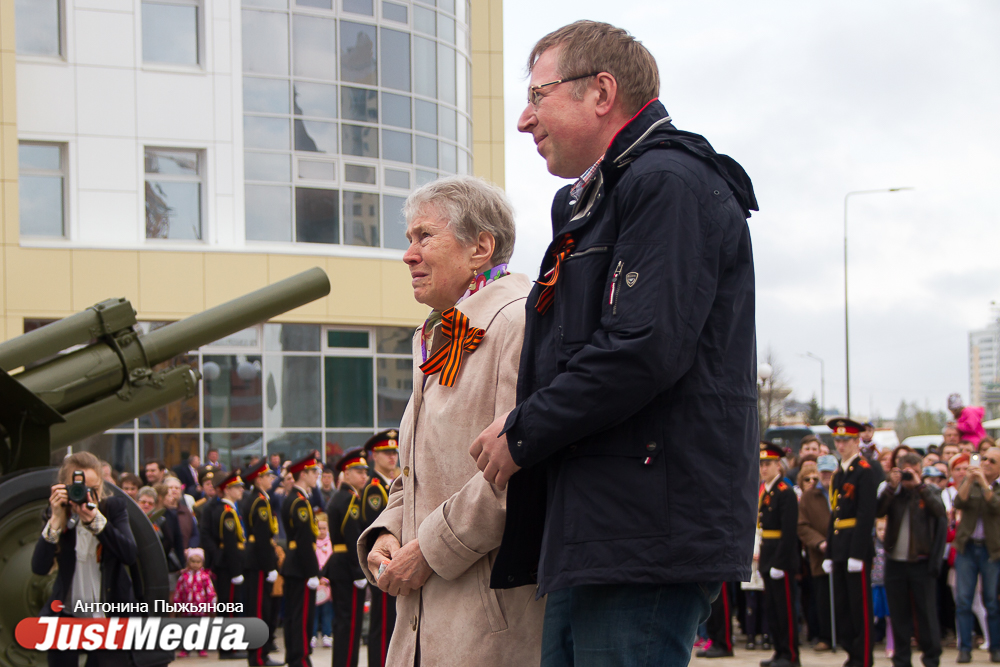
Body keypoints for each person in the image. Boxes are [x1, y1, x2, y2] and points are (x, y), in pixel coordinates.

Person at [467, 21, 758, 665]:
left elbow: (642, 346)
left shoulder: (668, 181)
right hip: (600, 522)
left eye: (537, 95)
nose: (523, 118)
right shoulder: (596, 199)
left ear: (601, 92)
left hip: (645, 529)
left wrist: (524, 431)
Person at [359, 175, 545, 667]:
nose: (408, 255)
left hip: (486, 626)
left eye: (425, 236)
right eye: (409, 239)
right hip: (426, 621)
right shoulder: (441, 331)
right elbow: (415, 473)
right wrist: (387, 533)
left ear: (480, 248)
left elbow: (520, 467)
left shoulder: (517, 322)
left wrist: (428, 550)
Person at [32, 451, 137, 667]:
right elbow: (39, 567)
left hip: (108, 615)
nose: (86, 495)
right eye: (78, 488)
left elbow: (129, 554)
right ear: (64, 487)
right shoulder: (57, 513)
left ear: (101, 486)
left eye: (93, 489)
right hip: (67, 614)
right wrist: (56, 520)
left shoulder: (113, 508)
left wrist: (96, 522)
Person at [877, 451, 947, 667]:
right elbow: (878, 510)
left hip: (921, 562)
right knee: (899, 614)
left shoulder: (929, 491)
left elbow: (940, 512)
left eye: (914, 472)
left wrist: (919, 486)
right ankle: (901, 660)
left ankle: (931, 658)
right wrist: (892, 486)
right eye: (906, 472)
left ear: (921, 472)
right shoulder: (893, 492)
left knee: (926, 614)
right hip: (895, 562)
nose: (909, 476)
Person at [822, 418, 878, 667]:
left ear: (856, 441)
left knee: (859, 607)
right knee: (843, 605)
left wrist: (857, 553)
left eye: (846, 440)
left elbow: (866, 515)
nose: (841, 445)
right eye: (838, 440)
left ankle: (863, 658)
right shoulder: (839, 474)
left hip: (856, 546)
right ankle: (851, 654)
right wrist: (829, 552)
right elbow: (834, 514)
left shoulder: (864, 471)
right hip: (839, 546)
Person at [951, 446, 1000, 662]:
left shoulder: (996, 487)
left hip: (991, 549)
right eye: (984, 459)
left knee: (991, 601)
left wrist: (984, 483)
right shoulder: (971, 481)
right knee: (963, 600)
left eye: (992, 461)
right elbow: (958, 502)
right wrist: (970, 480)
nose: (986, 463)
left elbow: (996, 506)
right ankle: (964, 648)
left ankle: (996, 647)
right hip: (968, 547)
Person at [326, 449, 370, 667]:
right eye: (358, 472)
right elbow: (353, 536)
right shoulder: (349, 500)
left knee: (344, 621)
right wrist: (358, 570)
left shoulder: (341, 497)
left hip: (340, 565)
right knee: (350, 622)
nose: (364, 476)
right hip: (347, 567)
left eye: (365, 472)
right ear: (347, 473)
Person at [360, 430, 400, 667]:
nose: (392, 457)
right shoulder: (374, 488)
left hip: (391, 560)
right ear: (374, 455)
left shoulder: (389, 484)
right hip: (382, 560)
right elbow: (375, 526)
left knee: (391, 621)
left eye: (394, 452)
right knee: (383, 622)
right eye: (386, 453)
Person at [758, 443, 800, 667]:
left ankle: (790, 655)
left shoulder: (785, 491)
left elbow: (789, 531)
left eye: (768, 464)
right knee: (773, 610)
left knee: (785, 610)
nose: (764, 468)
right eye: (761, 464)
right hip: (768, 554)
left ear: (778, 465)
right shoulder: (766, 491)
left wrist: (780, 563)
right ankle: (779, 651)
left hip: (780, 558)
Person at [282, 452, 322, 667]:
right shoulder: (300, 502)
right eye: (313, 471)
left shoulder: (295, 498)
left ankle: (294, 657)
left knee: (293, 614)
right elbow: (304, 539)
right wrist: (312, 571)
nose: (317, 475)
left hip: (294, 563)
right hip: (301, 565)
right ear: (303, 474)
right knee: (302, 615)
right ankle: (301, 658)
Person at [242, 459, 281, 667]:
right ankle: (257, 657)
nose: (271, 479)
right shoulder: (259, 502)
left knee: (263, 608)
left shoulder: (260, 499)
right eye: (267, 476)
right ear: (258, 479)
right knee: (258, 610)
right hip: (258, 561)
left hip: (257, 559)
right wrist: (270, 566)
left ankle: (261, 654)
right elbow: (262, 537)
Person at [210, 470, 247, 660]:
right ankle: (228, 648)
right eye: (236, 487)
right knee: (229, 606)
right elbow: (230, 544)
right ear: (226, 490)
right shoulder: (227, 513)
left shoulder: (230, 510)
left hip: (228, 564)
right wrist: (235, 571)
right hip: (228, 565)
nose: (241, 490)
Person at [798, 462, 832, 652]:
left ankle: (845, 636)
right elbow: (801, 525)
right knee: (822, 597)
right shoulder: (809, 496)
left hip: (842, 552)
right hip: (819, 554)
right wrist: (819, 542)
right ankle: (825, 636)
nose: (826, 476)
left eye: (830, 472)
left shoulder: (841, 491)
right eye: (824, 472)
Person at [173, 547, 216, 658]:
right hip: (187, 608)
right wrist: (177, 604)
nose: (195, 564)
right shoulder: (184, 577)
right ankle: (186, 649)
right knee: (187, 628)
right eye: (193, 561)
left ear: (202, 563)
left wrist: (211, 605)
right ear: (188, 562)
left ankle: (201, 648)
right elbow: (179, 591)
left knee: (201, 628)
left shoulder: (205, 577)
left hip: (201, 609)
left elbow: (210, 592)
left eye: (198, 562)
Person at [313, 513, 334, 648]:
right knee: (314, 612)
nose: (321, 531)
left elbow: (331, 561)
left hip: (327, 584)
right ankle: (313, 635)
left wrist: (326, 578)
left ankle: (327, 634)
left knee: (327, 611)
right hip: (316, 582)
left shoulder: (331, 544)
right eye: (319, 528)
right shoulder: (313, 544)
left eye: (324, 528)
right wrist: (317, 577)